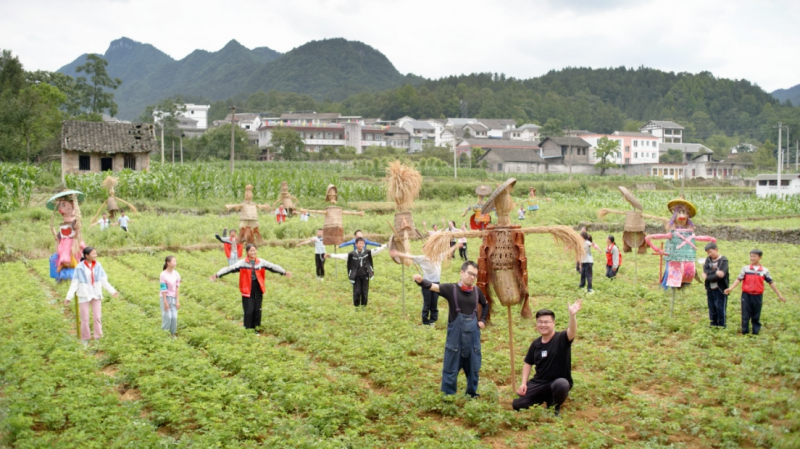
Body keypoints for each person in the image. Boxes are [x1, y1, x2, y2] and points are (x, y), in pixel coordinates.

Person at [413, 261, 488, 397]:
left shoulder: (477, 291)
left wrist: (482, 319)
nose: (472, 277)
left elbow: (485, 304)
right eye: (470, 273)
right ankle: (449, 396)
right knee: (451, 369)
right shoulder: (451, 289)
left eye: (475, 275)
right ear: (462, 272)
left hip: (473, 341)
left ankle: (471, 394)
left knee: (474, 369)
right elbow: (433, 286)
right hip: (455, 341)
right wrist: (420, 281)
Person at [513, 300, 583, 415]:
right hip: (539, 382)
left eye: (546, 322)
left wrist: (572, 316)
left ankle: (554, 406)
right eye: (540, 322)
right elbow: (528, 363)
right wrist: (523, 383)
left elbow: (572, 330)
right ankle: (545, 397)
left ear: (553, 323)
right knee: (517, 404)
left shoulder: (562, 338)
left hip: (557, 382)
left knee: (561, 384)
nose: (543, 325)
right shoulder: (536, 344)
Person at [210, 244, 292, 331]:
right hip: (247, 288)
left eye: (254, 250)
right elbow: (230, 268)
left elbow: (273, 266)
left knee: (257, 308)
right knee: (249, 309)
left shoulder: (261, 262)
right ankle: (248, 329)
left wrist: (284, 272)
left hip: (258, 287)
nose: (253, 252)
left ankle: (256, 328)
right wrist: (217, 275)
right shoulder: (242, 263)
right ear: (247, 252)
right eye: (251, 251)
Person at [392, 243, 460, 326]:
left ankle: (432, 320)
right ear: (424, 250)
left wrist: (456, 245)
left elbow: (448, 251)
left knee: (434, 302)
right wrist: (398, 253)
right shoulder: (422, 258)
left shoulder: (438, 257)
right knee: (427, 303)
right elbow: (410, 256)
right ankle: (425, 321)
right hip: (426, 283)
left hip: (436, 283)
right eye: (426, 249)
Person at [724, 249, 787, 335]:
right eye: (751, 256)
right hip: (746, 295)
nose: (752, 258)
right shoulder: (745, 269)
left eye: (754, 256)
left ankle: (755, 332)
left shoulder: (764, 270)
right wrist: (731, 288)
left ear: (760, 257)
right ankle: (745, 332)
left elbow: (771, 282)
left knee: (756, 314)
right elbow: (739, 279)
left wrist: (779, 294)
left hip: (758, 295)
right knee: (745, 314)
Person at [65, 246, 119, 345]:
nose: (96, 255)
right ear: (87, 256)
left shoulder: (98, 265)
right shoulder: (79, 267)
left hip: (96, 294)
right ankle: (85, 339)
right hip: (84, 295)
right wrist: (69, 297)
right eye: (93, 254)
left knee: (97, 317)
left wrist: (112, 291)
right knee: (84, 319)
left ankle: (98, 338)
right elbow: (74, 283)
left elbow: (103, 280)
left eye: (95, 253)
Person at [327, 237, 386, 310]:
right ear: (356, 244)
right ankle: (357, 306)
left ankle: (363, 306)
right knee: (357, 291)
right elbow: (341, 256)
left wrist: (386, 246)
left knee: (364, 291)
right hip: (356, 276)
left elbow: (378, 250)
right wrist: (330, 255)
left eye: (363, 243)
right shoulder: (352, 254)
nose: (362, 245)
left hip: (365, 275)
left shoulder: (367, 252)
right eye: (360, 243)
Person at [702, 243, 729, 328]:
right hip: (710, 288)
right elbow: (706, 270)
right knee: (712, 306)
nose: (709, 254)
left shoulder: (724, 260)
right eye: (708, 253)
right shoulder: (708, 260)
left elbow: (721, 275)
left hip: (720, 288)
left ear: (716, 250)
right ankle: (713, 324)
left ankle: (721, 325)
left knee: (720, 307)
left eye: (710, 252)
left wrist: (708, 276)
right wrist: (716, 272)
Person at [160, 255, 181, 338]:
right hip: (165, 297)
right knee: (168, 316)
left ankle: (173, 334)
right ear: (168, 263)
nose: (176, 263)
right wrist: (165, 302)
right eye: (174, 261)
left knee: (174, 317)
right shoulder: (163, 274)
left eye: (176, 261)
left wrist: (177, 301)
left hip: (174, 297)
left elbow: (177, 288)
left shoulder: (176, 274)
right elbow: (163, 289)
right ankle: (165, 334)